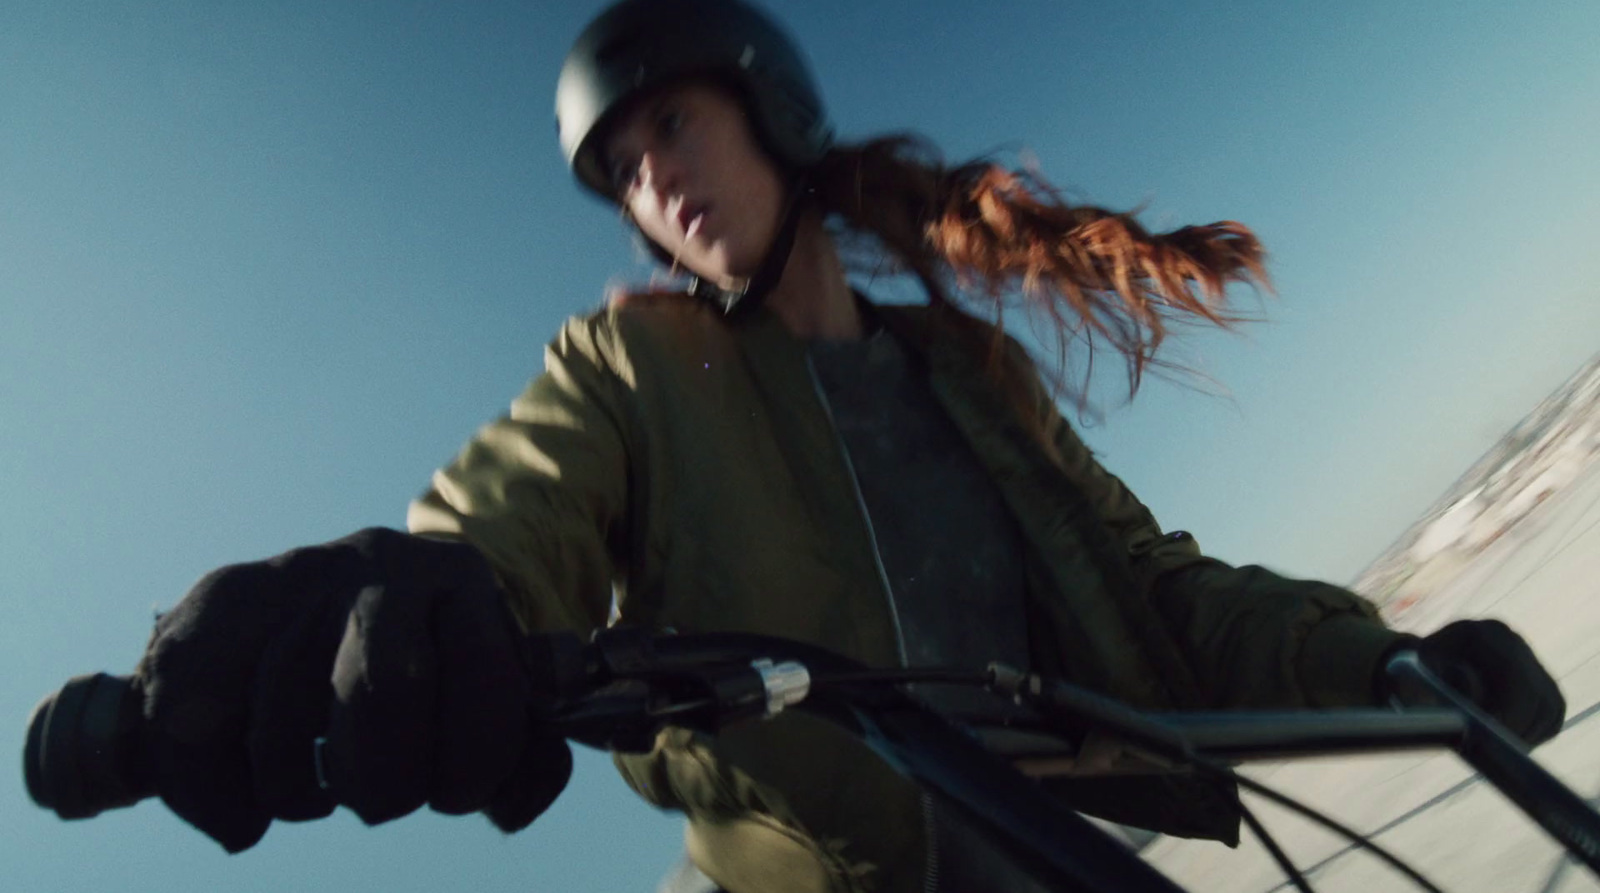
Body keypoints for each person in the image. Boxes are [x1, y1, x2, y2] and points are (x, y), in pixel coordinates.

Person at [127, 1, 1566, 891]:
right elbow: (518, 510)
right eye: (623, 168)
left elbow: (1158, 591)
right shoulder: (637, 364)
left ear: (770, 109)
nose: (655, 179)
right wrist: (429, 590)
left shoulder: (968, 373)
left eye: (673, 123)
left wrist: (1381, 660)